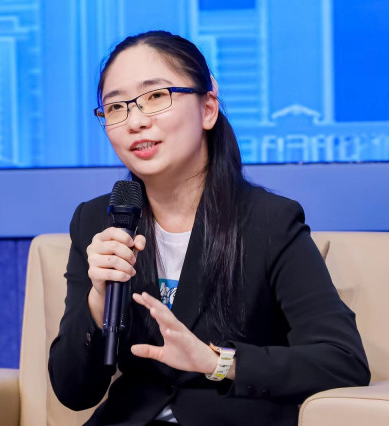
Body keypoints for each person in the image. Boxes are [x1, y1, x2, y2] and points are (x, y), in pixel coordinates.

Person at [48, 31, 370, 426]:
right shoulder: (98, 221)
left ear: (208, 109)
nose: (136, 121)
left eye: (156, 96)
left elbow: (342, 361)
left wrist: (217, 362)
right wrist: (97, 302)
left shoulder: (269, 221)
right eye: (116, 107)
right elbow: (73, 392)